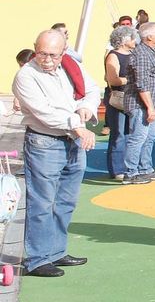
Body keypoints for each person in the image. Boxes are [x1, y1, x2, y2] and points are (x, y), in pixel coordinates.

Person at [13, 30, 99, 276]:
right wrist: (78, 125)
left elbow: (92, 90)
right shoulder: (26, 76)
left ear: (63, 51)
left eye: (53, 54)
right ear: (34, 49)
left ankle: (57, 251)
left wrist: (85, 107)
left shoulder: (70, 66)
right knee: (42, 202)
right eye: (42, 53)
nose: (47, 59)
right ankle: (39, 259)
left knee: (66, 201)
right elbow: (44, 113)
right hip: (45, 142)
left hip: (72, 140)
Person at [123, 21, 155, 184]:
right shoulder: (142, 53)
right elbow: (141, 82)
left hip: (149, 105)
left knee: (150, 137)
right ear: (149, 36)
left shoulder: (151, 51)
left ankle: (145, 169)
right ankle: (131, 173)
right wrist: (149, 107)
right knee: (138, 137)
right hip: (140, 105)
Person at [102, 25, 138, 181]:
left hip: (133, 98)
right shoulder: (113, 56)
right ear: (124, 40)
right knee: (119, 134)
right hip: (119, 98)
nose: (134, 40)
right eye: (132, 37)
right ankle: (117, 169)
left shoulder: (134, 54)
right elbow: (113, 79)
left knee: (131, 134)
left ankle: (130, 166)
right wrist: (132, 79)